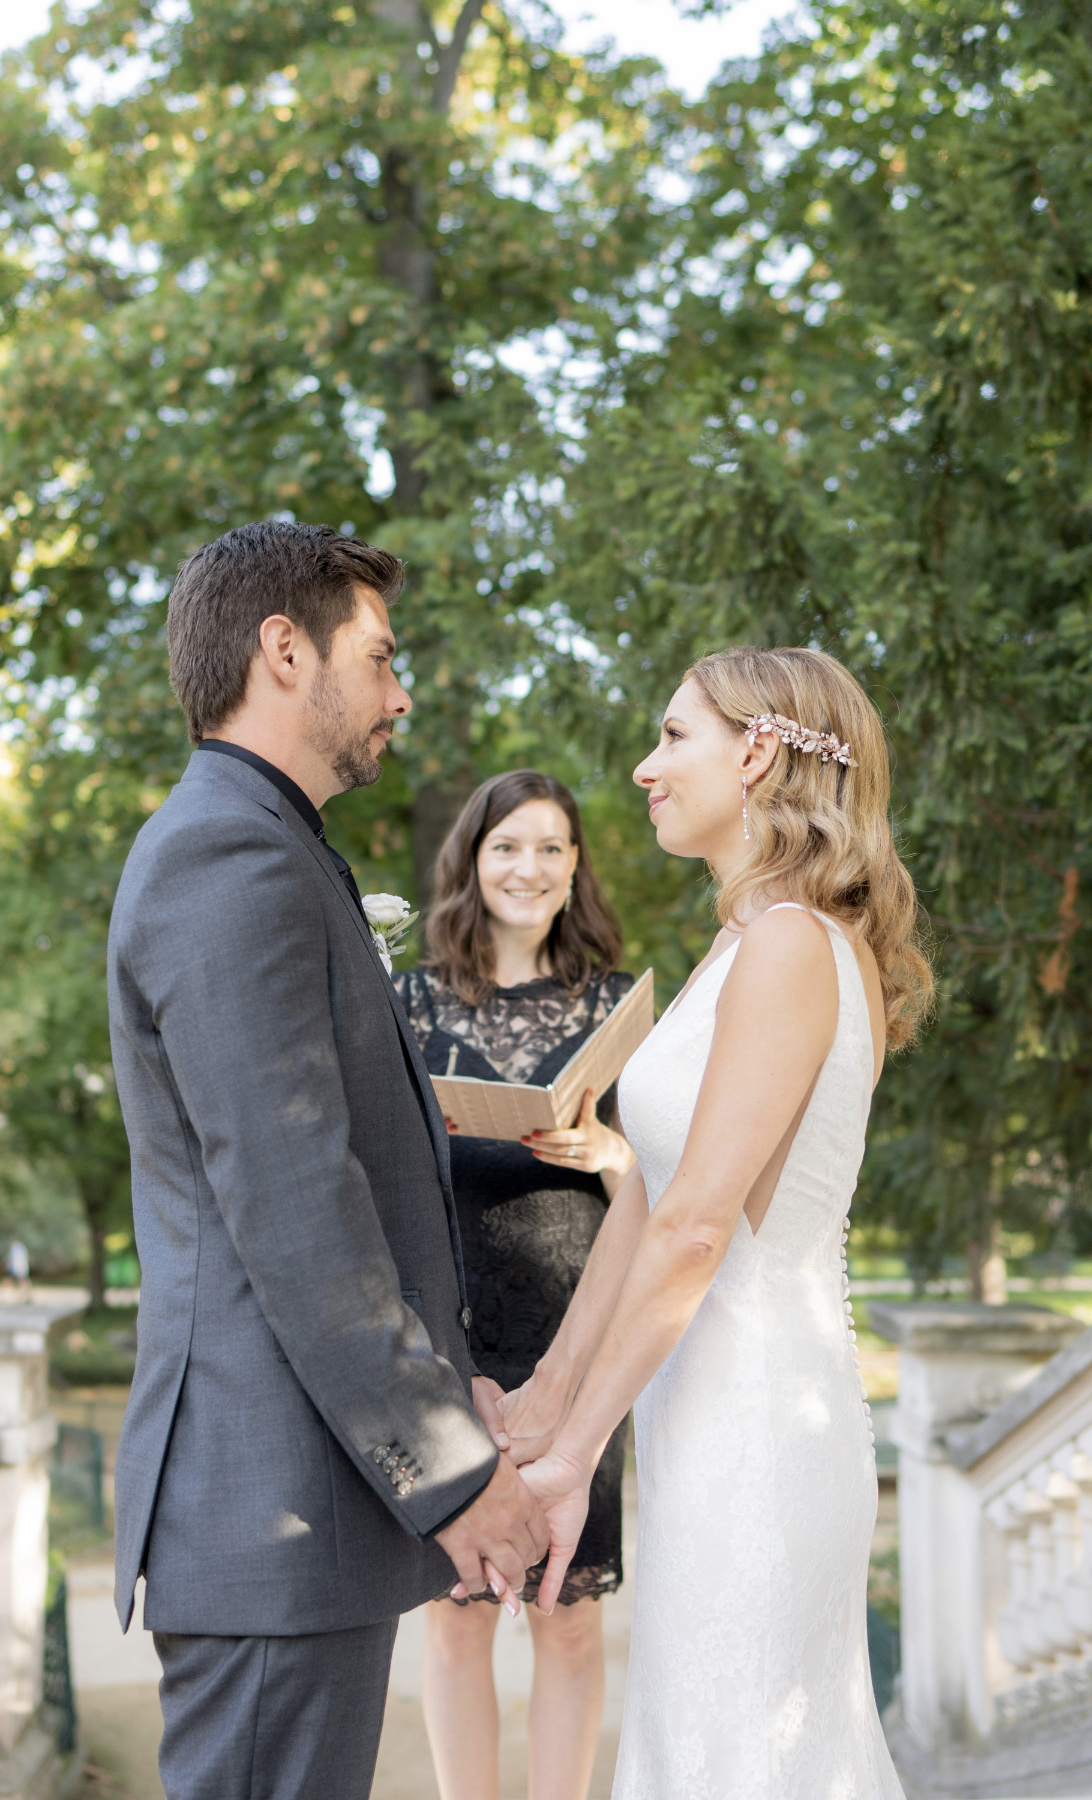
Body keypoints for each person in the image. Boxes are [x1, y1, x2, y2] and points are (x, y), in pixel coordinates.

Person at [106, 521, 548, 1800]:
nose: (401, 694)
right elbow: (297, 1205)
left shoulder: (268, 845)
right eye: (382, 656)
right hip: (267, 1508)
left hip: (302, 1503)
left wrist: (450, 1375)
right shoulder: (227, 856)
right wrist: (455, 1480)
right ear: (283, 650)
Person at [503, 646, 933, 1798]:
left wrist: (578, 1457)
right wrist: (545, 1402)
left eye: (674, 737)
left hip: (759, 1428)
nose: (645, 769)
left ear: (756, 753)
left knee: (745, 1754)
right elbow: (644, 1197)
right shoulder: (742, 948)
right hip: (702, 1418)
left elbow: (698, 1229)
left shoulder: (793, 947)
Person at [395, 769, 636, 1800]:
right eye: (507, 847)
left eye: (549, 847)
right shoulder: (404, 998)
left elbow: (664, 1185)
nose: (528, 867)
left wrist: (602, 1154)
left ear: (575, 864)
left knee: (564, 1614)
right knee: (452, 1613)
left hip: (573, 1333)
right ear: (473, 861)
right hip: (444, 1333)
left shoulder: (621, 1004)